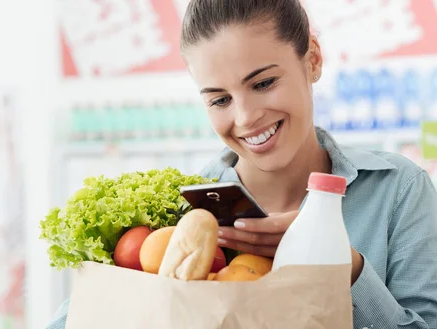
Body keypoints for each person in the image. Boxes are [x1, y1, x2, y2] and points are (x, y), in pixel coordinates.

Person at [45, 0, 437, 328]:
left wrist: (341, 267)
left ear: (312, 60)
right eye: (220, 100)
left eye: (263, 83)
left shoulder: (398, 189)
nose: (246, 117)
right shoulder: (178, 212)